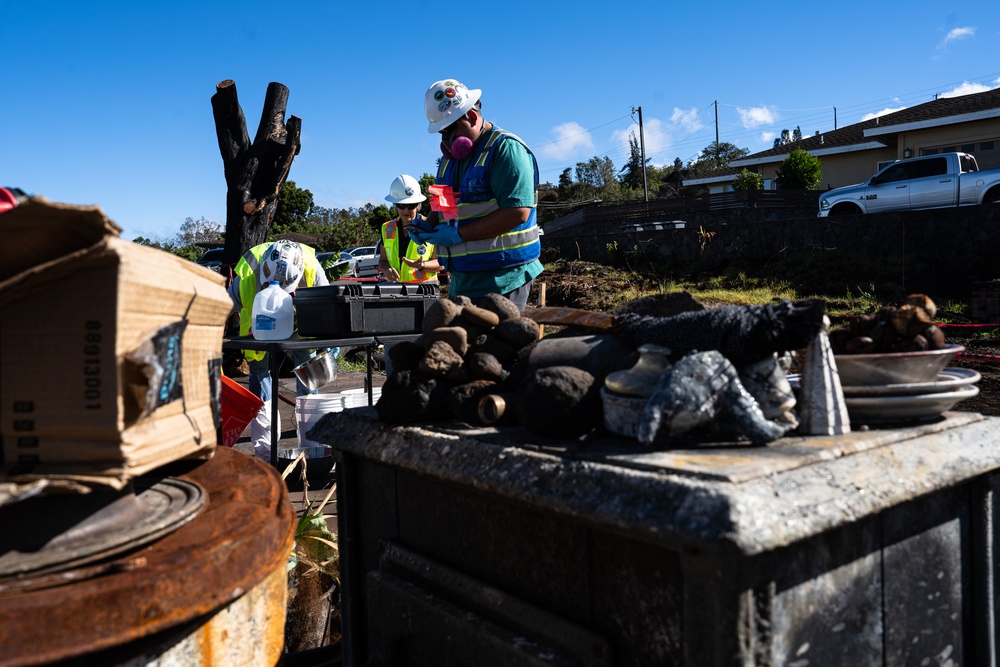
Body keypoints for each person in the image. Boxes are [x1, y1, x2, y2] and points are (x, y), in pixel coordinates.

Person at [409, 79, 542, 312]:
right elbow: (443, 205)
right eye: (441, 133)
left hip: (504, 277)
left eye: (449, 130)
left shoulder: (505, 149)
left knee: (495, 347)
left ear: (471, 116)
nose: (446, 141)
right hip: (463, 279)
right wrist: (427, 225)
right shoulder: (449, 161)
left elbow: (517, 212)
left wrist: (458, 234)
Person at [227, 240, 329, 460]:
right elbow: (224, 305)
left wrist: (330, 339)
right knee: (260, 381)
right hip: (259, 330)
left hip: (300, 324)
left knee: (308, 376)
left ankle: (311, 449)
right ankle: (266, 453)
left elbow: (328, 303)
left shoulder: (311, 266)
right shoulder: (249, 271)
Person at [379, 174, 443, 283]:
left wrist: (422, 265)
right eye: (401, 206)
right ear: (395, 205)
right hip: (395, 291)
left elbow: (442, 263)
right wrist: (386, 270)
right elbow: (383, 261)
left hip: (425, 291)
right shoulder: (386, 228)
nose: (406, 210)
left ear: (418, 205)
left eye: (411, 205)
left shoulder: (431, 226)